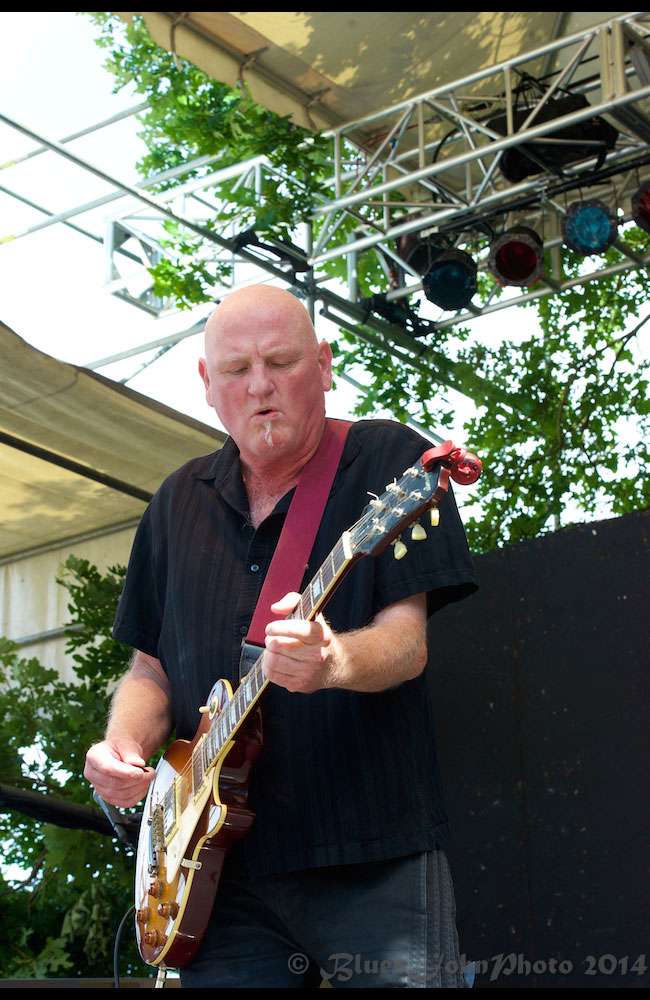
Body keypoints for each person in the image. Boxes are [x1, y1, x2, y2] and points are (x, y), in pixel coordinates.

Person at [85, 284, 478, 988]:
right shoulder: (176, 502)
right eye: (237, 370)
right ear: (208, 386)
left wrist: (334, 662)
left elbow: (407, 644)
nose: (260, 386)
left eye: (281, 361)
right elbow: (151, 670)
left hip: (369, 851)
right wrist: (124, 745)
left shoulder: (388, 458)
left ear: (324, 364)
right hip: (215, 878)